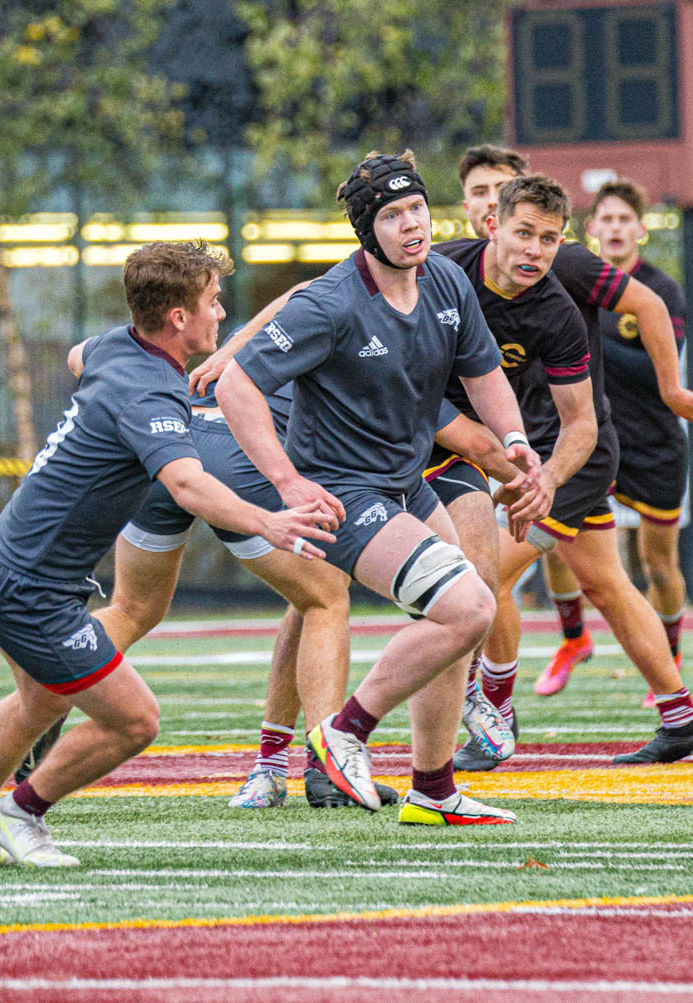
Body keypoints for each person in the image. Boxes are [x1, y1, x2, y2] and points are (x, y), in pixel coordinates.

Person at [0, 241, 334, 867]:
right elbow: (188, 485)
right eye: (212, 304)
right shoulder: (149, 393)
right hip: (31, 586)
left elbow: (76, 356)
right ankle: (20, 815)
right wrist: (271, 522)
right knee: (136, 721)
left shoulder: (116, 346)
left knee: (39, 703)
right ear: (177, 319)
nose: (220, 316)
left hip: (7, 560)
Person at [216, 150, 542, 824]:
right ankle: (343, 732)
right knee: (467, 609)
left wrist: (514, 444)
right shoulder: (331, 302)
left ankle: (433, 789)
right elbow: (234, 383)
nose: (411, 225)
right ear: (368, 231)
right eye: (392, 216)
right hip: (344, 492)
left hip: (405, 484)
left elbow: (485, 378)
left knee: (455, 619)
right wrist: (287, 481)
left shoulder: (446, 283)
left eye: (416, 208)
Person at [455, 145, 693, 766]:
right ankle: (682, 717)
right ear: (476, 211)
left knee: (483, 573)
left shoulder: (564, 265)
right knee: (605, 582)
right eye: (477, 192)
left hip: (572, 452)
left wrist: (670, 387)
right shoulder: (449, 269)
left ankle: (494, 717)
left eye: (500, 191)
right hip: (523, 449)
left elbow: (649, 305)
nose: (487, 204)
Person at [428, 173, 598, 770]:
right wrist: (239, 347)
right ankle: (290, 754)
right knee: (320, 597)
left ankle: (486, 706)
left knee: (476, 582)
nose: (535, 250)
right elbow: (320, 295)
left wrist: (546, 478)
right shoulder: (441, 270)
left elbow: (583, 424)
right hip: (405, 437)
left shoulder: (556, 312)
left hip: (492, 456)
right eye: (524, 233)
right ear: (493, 225)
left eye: (549, 240)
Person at [538, 179, 690, 706]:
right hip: (591, 441)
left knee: (658, 563)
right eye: (607, 219)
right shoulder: (567, 283)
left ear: (641, 230)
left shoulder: (658, 292)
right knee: (555, 542)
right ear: (591, 230)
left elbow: (655, 372)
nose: (616, 228)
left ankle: (668, 655)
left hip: (653, 444)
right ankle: (573, 637)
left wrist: (587, 340)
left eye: (626, 219)